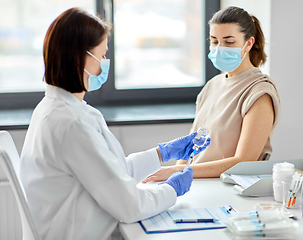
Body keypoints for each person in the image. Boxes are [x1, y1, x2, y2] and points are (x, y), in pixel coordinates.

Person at [19, 8, 209, 240]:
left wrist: (161, 153)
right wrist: (172, 189)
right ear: (82, 58)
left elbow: (112, 174)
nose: (106, 63)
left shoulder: (57, 109)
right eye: (103, 54)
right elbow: (130, 205)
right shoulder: (71, 123)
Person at [143, 6, 280, 183]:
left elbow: (244, 162)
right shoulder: (212, 86)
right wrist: (173, 176)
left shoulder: (259, 93)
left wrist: (178, 170)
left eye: (229, 42)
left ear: (249, 43)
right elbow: (192, 147)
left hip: (224, 187)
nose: (220, 48)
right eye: (214, 41)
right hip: (194, 181)